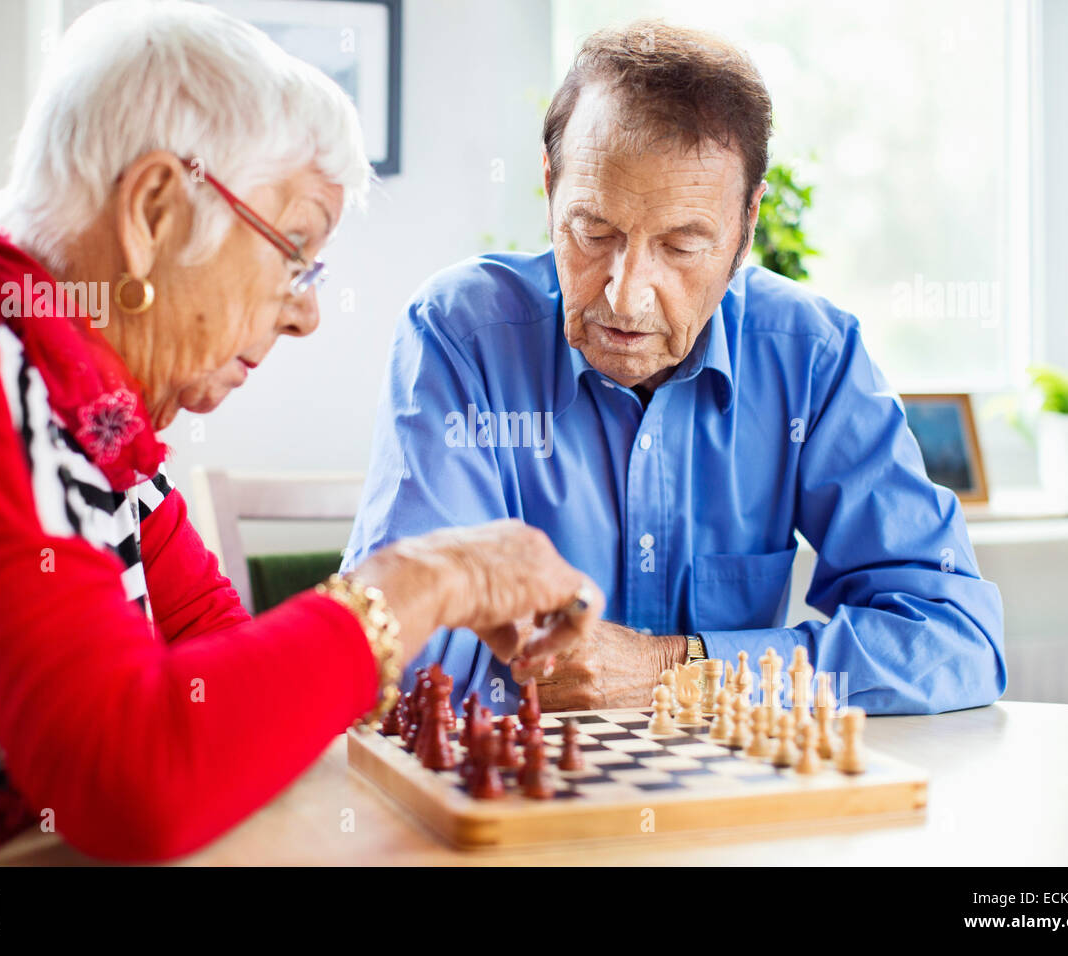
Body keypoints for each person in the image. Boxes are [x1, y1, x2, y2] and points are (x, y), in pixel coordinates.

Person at [0, 0, 602, 866]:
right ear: (156, 212)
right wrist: (429, 578)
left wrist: (422, 602)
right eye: (294, 251)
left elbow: (221, 670)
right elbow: (135, 782)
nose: (309, 312)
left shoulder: (94, 414)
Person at [344, 21, 1006, 716]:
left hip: (730, 809)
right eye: (593, 232)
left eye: (683, 246)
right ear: (548, 187)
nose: (625, 293)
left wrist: (679, 669)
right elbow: (394, 660)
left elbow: (955, 640)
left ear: (746, 229)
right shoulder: (460, 335)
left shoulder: (811, 355)